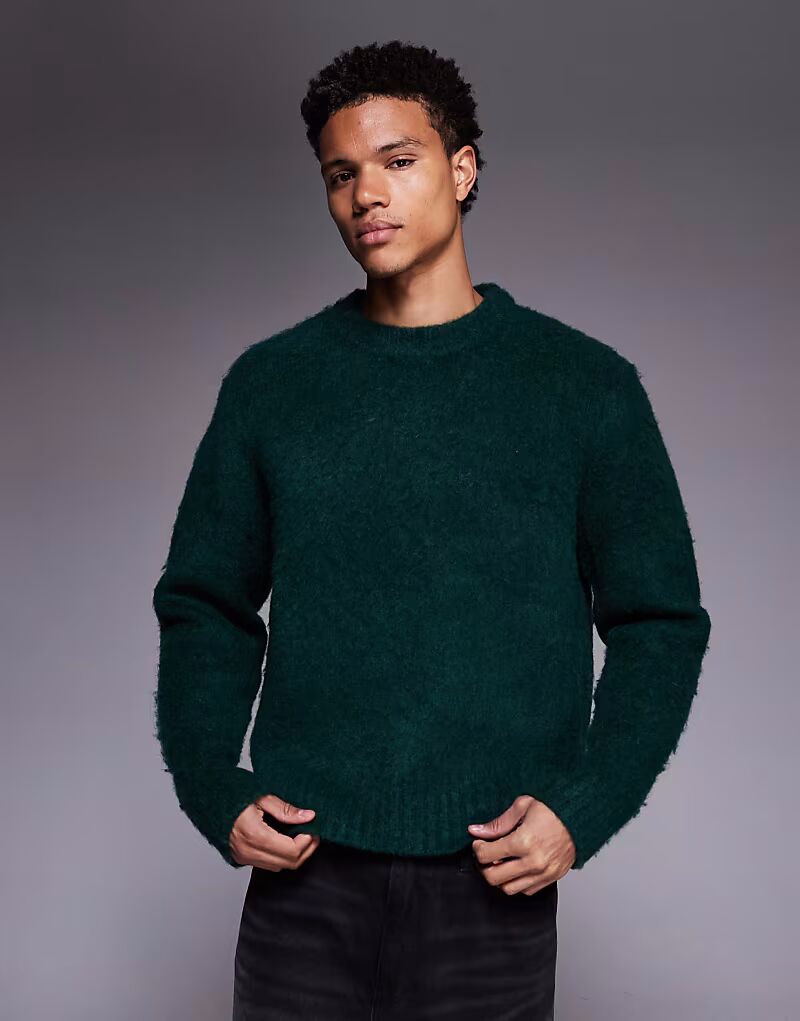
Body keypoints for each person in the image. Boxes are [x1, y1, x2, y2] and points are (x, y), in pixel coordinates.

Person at [152, 39, 712, 1021]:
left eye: (397, 160)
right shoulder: (272, 386)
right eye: (340, 174)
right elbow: (205, 603)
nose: (366, 194)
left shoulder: (582, 386)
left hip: (489, 885)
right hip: (303, 880)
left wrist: (584, 808)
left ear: (461, 169)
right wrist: (211, 786)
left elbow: (658, 621)